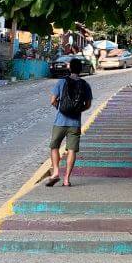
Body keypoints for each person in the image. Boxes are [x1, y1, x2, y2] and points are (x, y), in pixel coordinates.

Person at [45, 57, 92, 187]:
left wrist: (60, 108)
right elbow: (88, 105)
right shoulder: (85, 85)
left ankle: (55, 172)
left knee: (54, 146)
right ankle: (66, 179)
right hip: (75, 123)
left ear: (70, 68)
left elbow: (53, 100)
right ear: (81, 69)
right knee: (72, 150)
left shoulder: (61, 82)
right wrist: (77, 110)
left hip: (60, 121)